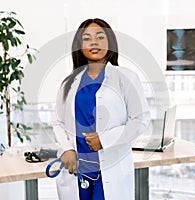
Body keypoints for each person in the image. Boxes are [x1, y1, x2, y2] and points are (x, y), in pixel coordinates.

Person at [52, 18, 150, 200]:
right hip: (77, 171)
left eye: (100, 37)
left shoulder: (126, 78)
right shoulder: (69, 82)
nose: (94, 42)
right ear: (79, 46)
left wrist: (104, 140)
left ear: (110, 43)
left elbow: (140, 120)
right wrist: (66, 149)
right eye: (87, 38)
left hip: (111, 170)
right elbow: (58, 121)